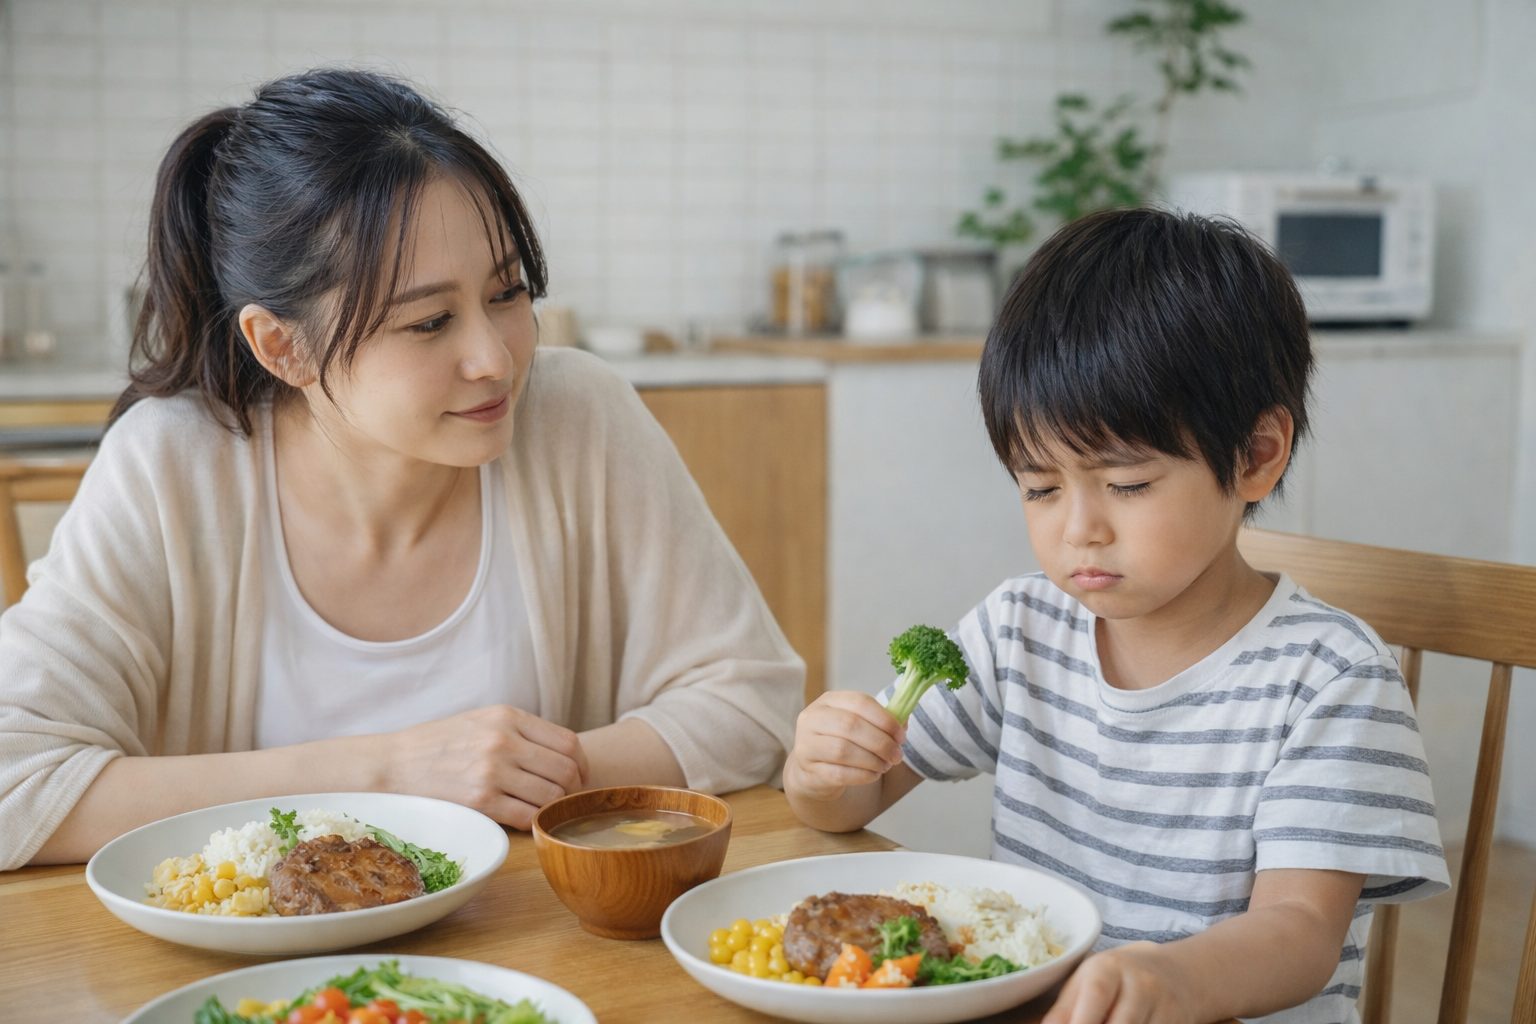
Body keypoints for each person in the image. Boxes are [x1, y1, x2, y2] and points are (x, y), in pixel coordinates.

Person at [0, 67, 802, 870]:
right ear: (283, 346)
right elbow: (14, 781)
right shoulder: (172, 466)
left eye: (508, 292)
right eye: (429, 323)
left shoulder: (578, 416)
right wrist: (386, 772)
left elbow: (753, 701)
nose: (494, 359)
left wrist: (518, 774)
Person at [783, 209, 1448, 1024]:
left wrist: (1171, 980)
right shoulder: (1020, 629)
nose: (1077, 529)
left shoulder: (1330, 679)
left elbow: (1303, 930)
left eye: (1127, 484)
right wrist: (820, 772)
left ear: (1255, 455)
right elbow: (850, 805)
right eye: (1039, 487)